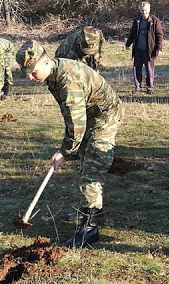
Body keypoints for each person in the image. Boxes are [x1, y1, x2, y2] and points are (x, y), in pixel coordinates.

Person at [16, 40, 122, 247]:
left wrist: (64, 151)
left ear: (45, 62)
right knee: (85, 162)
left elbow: (76, 123)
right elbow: (72, 117)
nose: (30, 77)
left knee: (92, 170)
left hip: (104, 118)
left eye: (33, 71)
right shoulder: (54, 73)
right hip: (89, 115)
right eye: (27, 73)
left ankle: (89, 228)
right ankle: (87, 210)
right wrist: (70, 148)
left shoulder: (67, 80)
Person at [125, 1, 164, 94]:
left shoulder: (155, 21)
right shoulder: (137, 20)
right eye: (142, 10)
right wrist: (128, 43)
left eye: (146, 10)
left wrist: (159, 48)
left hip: (149, 50)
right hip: (138, 49)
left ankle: (149, 88)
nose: (144, 12)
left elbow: (159, 35)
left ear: (149, 10)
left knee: (149, 70)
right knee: (136, 69)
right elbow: (132, 33)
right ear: (140, 10)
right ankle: (137, 87)